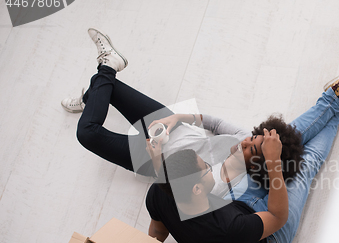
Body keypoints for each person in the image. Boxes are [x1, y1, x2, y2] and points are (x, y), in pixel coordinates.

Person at [147, 50, 339, 243]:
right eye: (205, 169)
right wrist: (273, 163)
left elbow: (156, 230)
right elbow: (278, 217)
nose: (210, 168)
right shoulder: (226, 229)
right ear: (196, 189)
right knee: (305, 165)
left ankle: (337, 97)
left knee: (277, 143)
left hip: (238, 209)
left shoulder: (159, 192)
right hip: (266, 242)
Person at [66, 28, 305, 202]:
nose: (244, 142)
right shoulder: (242, 138)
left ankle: (99, 83)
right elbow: (217, 123)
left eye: (250, 149)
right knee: (113, 89)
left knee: (87, 133)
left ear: (258, 167)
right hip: (171, 127)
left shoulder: (225, 185)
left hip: (152, 156)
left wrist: (157, 158)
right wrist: (179, 118)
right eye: (252, 138)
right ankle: (94, 95)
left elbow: (175, 193)